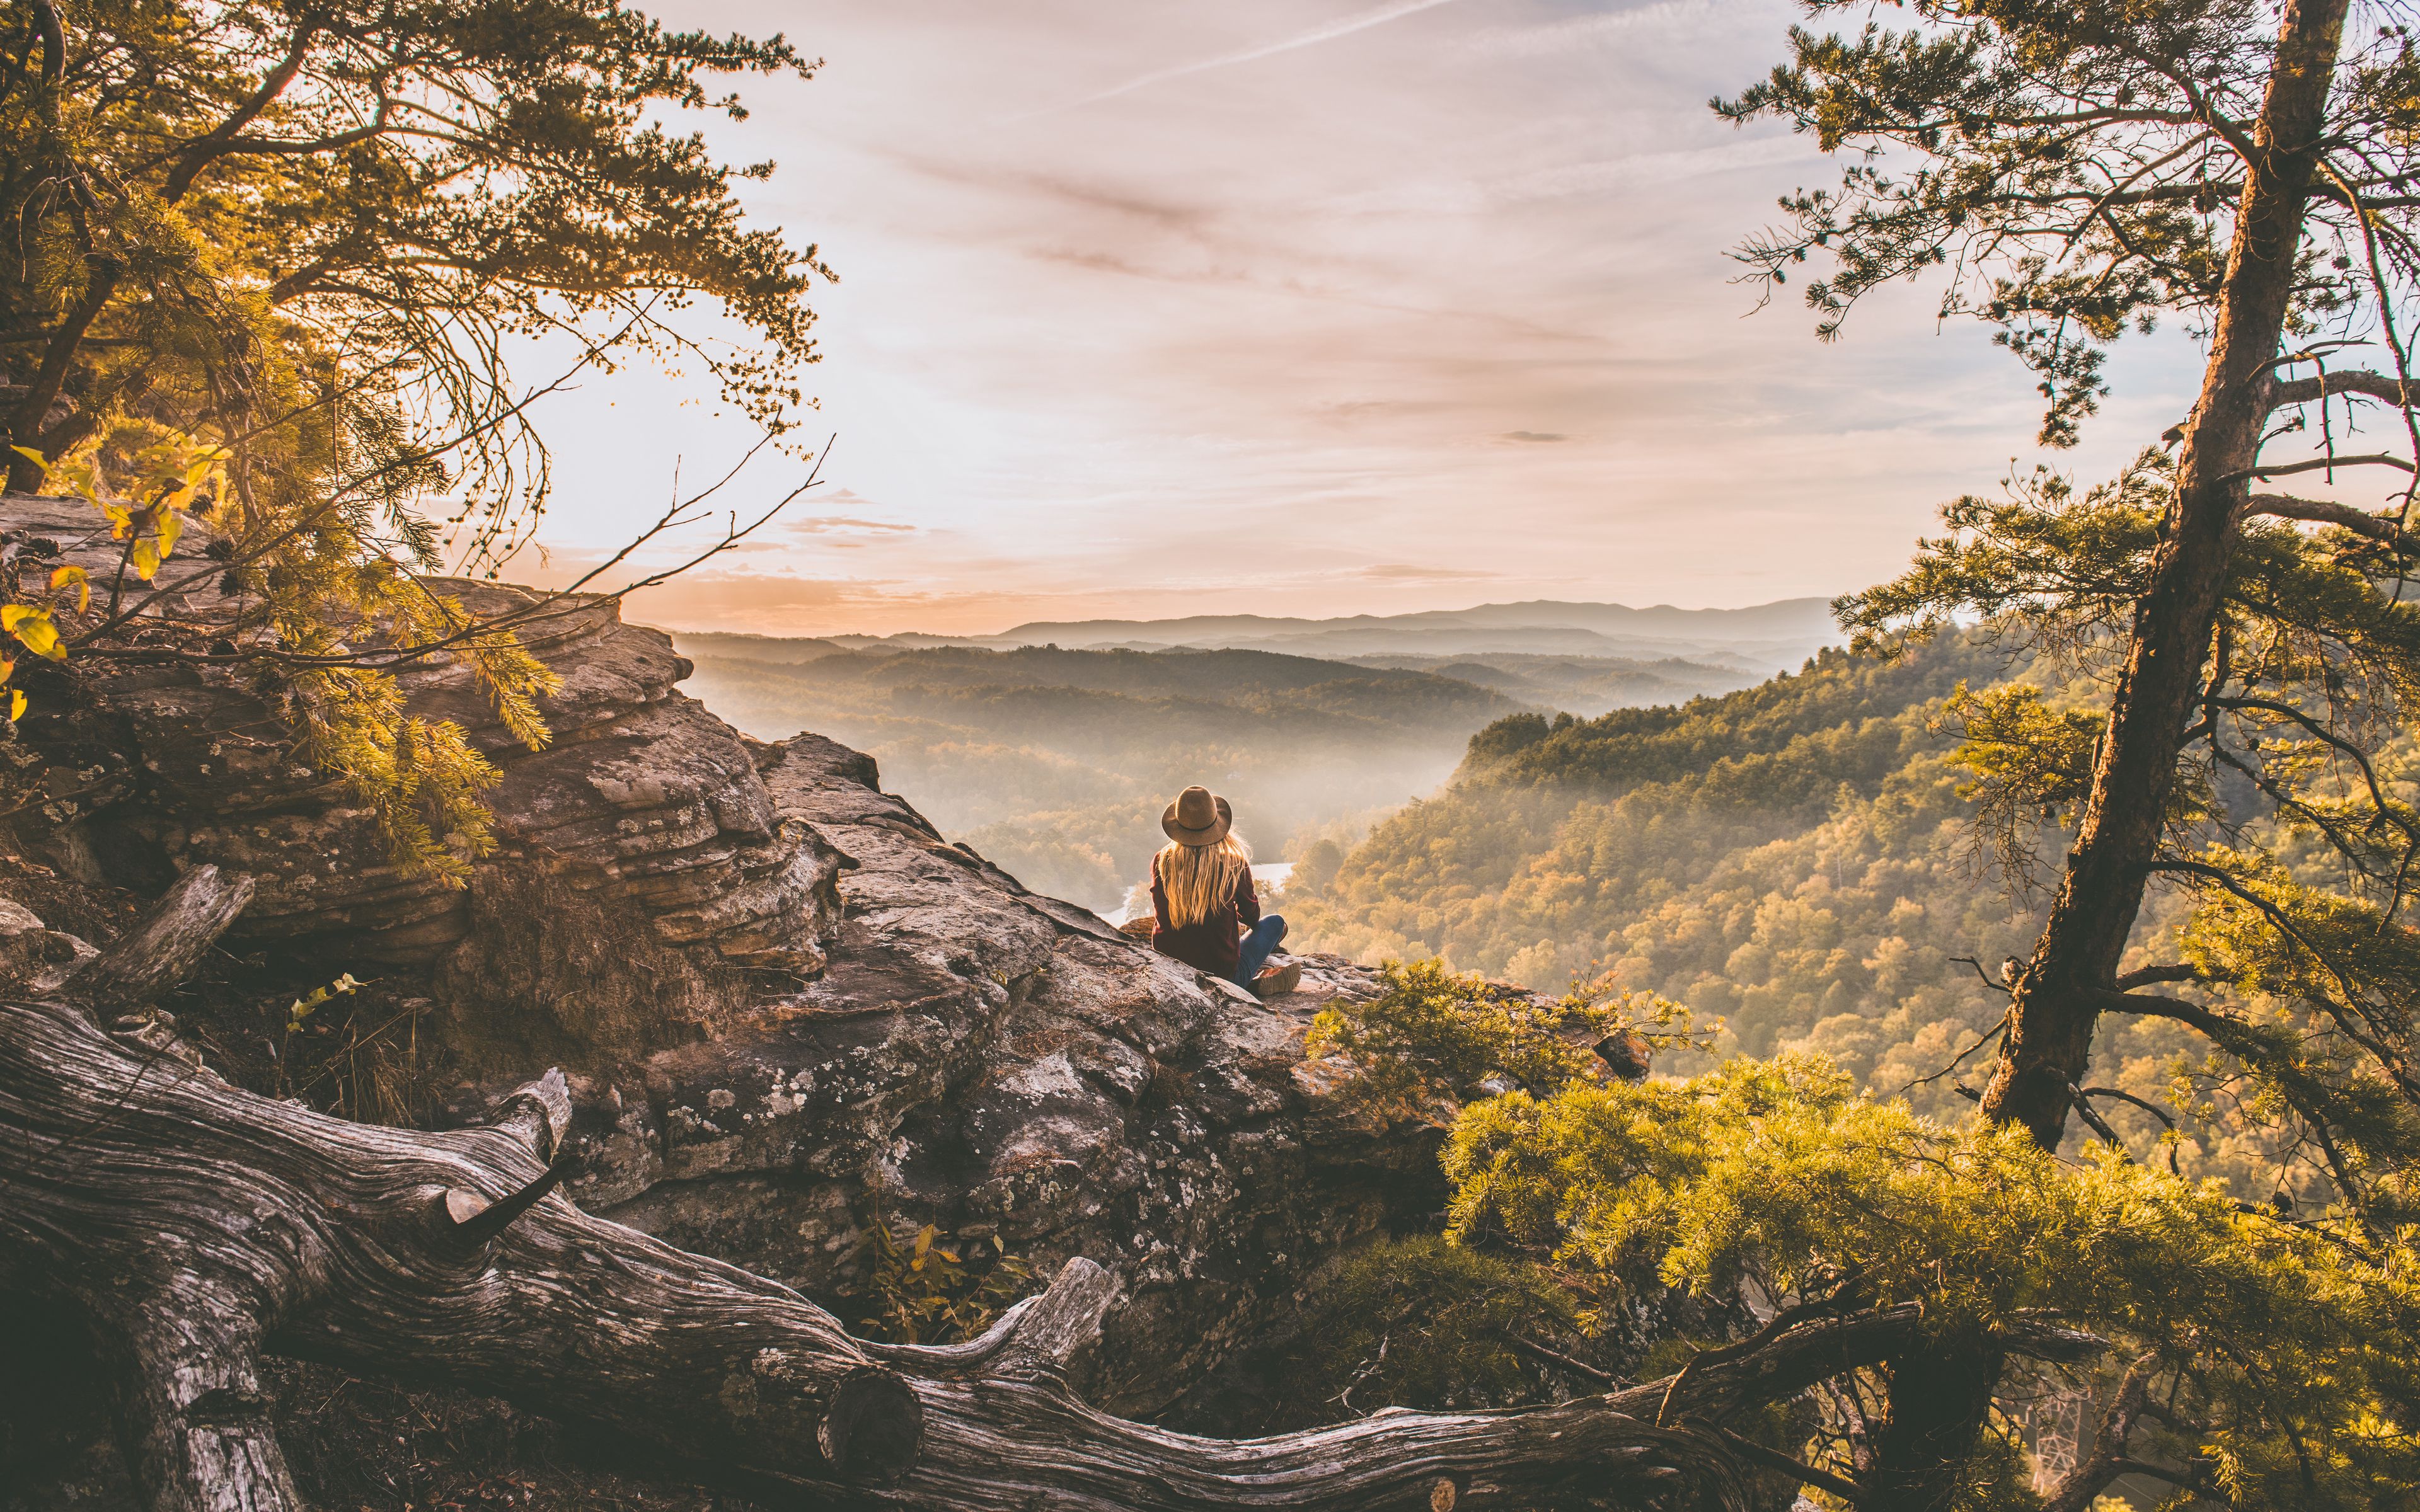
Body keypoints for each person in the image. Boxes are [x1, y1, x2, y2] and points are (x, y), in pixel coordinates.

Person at [1148, 785, 1301, 997]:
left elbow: (1159, 909)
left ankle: (1248, 985)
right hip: (1223, 975)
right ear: (1217, 824)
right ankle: (1247, 985)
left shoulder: (1162, 862)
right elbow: (1252, 918)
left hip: (1171, 971)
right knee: (1275, 923)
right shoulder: (1232, 863)